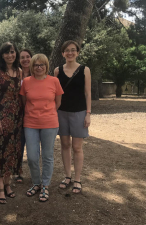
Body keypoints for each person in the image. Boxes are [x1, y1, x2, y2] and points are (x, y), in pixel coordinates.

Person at [19, 54, 64, 202]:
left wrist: (47, 113)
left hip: (49, 123)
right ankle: (36, 183)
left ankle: (45, 185)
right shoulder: (26, 82)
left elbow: (57, 103)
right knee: (32, 157)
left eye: (42, 65)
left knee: (47, 155)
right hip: (30, 123)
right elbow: (25, 102)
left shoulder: (54, 81)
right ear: (32, 66)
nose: (39, 67)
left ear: (46, 66)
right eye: (36, 65)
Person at [54, 40, 91, 194]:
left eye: (73, 50)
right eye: (67, 50)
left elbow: (87, 93)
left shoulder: (85, 70)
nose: (70, 53)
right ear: (63, 53)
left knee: (77, 147)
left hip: (79, 112)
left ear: (77, 52)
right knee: (65, 145)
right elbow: (55, 93)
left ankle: (77, 179)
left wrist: (88, 113)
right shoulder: (57, 71)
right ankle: (67, 176)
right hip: (61, 112)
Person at [0, 42, 23, 204]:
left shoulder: (20, 72)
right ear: (2, 55)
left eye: (12, 52)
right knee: (2, 150)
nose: (10, 55)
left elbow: (22, 95)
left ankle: (8, 183)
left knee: (13, 150)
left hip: (18, 117)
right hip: (3, 115)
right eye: (6, 53)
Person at [14, 48, 33, 184]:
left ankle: (35, 172)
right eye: (22, 57)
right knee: (19, 143)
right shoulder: (16, 74)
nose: (25, 59)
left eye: (28, 57)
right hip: (17, 114)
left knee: (32, 144)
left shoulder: (38, 74)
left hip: (33, 114)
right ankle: (18, 171)